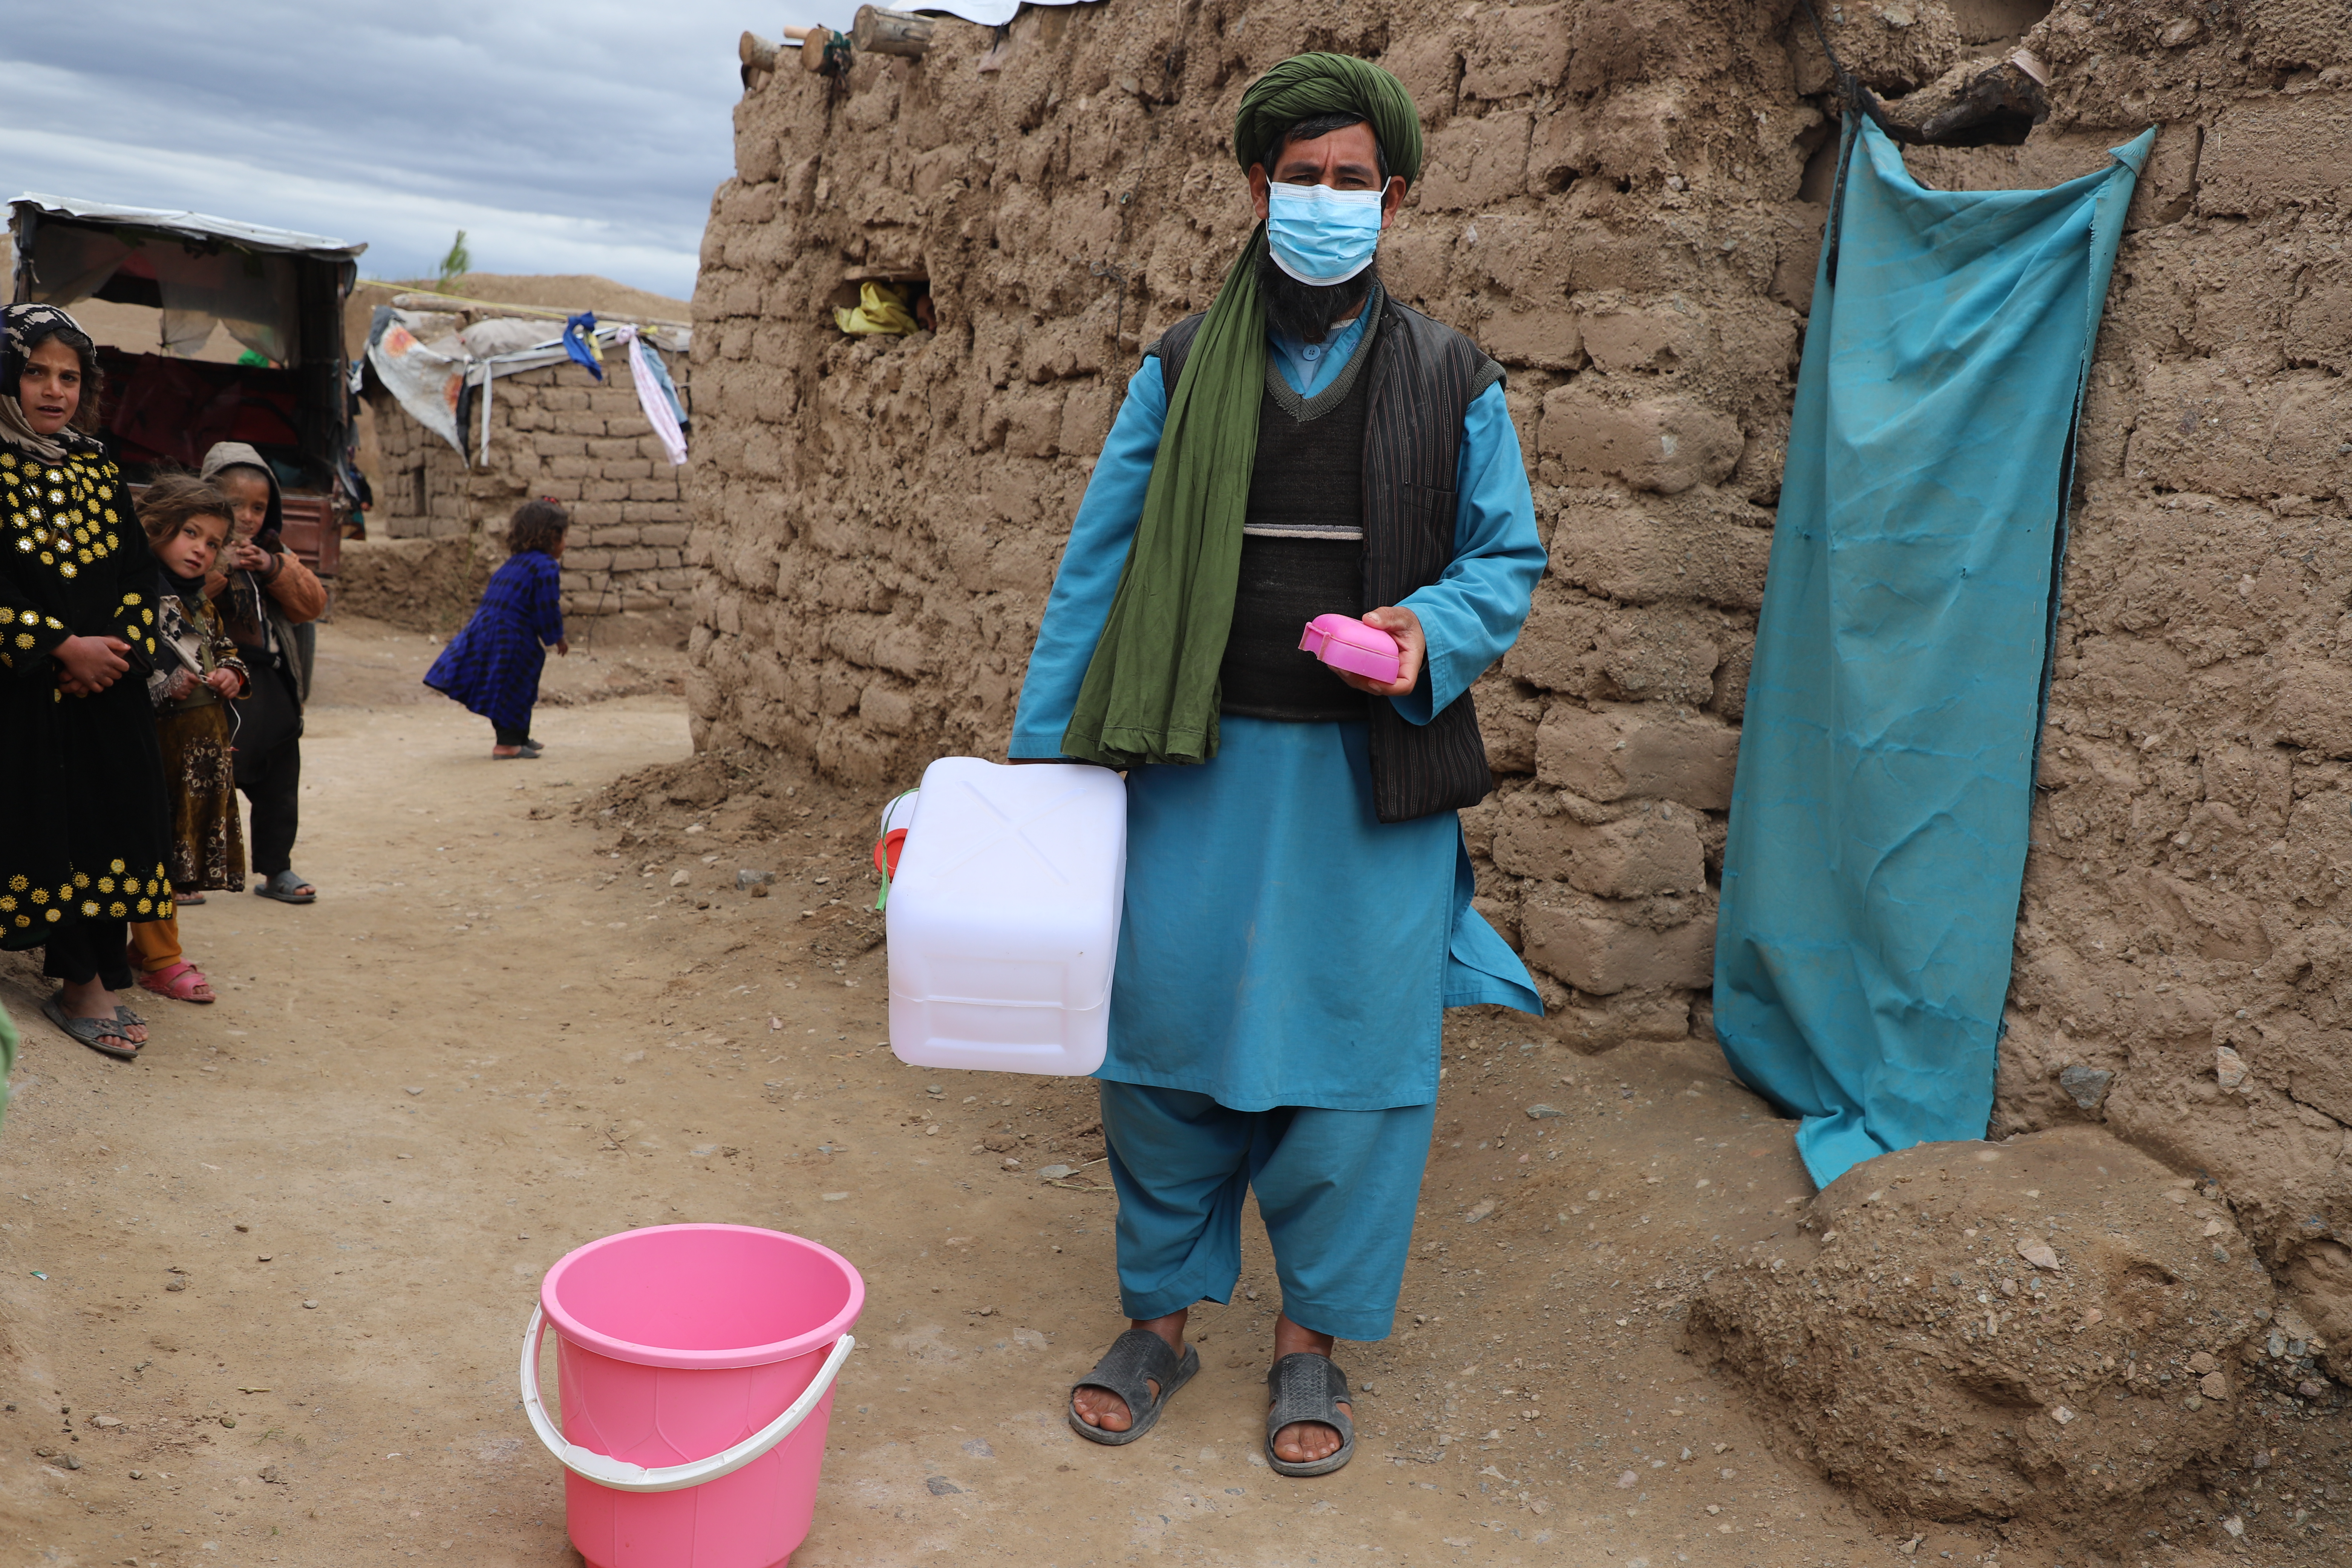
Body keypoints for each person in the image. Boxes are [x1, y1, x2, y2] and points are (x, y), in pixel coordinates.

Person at [1009, 54, 1548, 1477]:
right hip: (1184, 775)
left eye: (1350, 182)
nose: (1323, 201)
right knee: (1159, 1050)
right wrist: (1035, 777)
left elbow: (1508, 556)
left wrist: (1422, 633)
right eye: (1298, 178)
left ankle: (1311, 1342)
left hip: (1363, 794)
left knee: (1355, 1073)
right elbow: (1098, 570)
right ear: (1257, 187)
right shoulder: (1182, 366)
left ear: (1397, 198)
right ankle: (1163, 1319)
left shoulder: (1451, 375)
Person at [0, 303, 176, 1060]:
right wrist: (53, 645)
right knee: (24, 813)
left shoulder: (99, 467)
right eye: (35, 371)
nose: (53, 390)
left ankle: (84, 977)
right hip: (12, 692)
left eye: (69, 376)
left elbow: (141, 576)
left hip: (103, 692)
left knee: (102, 820)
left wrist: (113, 655)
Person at [126, 473, 249, 1004]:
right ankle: (161, 959)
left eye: (213, 543)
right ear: (157, 527)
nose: (201, 550)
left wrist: (232, 676)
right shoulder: (136, 598)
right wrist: (162, 688)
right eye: (190, 533)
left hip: (199, 758)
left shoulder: (197, 604)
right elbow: (126, 675)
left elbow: (223, 650)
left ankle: (150, 950)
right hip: (155, 755)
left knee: (173, 857)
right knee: (152, 853)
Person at [198, 441, 325, 905]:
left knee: (279, 781)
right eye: (235, 504)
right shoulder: (193, 548)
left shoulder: (275, 552)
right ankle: (184, 873)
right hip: (217, 686)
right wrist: (220, 566)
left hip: (271, 684)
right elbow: (179, 599)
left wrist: (272, 568)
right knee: (204, 780)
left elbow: (311, 605)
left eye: (259, 506)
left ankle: (277, 869)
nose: (248, 517)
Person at [423, 499, 570, 758]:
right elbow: (547, 607)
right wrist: (557, 637)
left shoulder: (513, 564)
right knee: (515, 688)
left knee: (508, 685)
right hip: (512, 638)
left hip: (487, 631)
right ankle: (508, 745)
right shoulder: (546, 567)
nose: (565, 544)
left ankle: (519, 736)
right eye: (564, 536)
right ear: (552, 537)